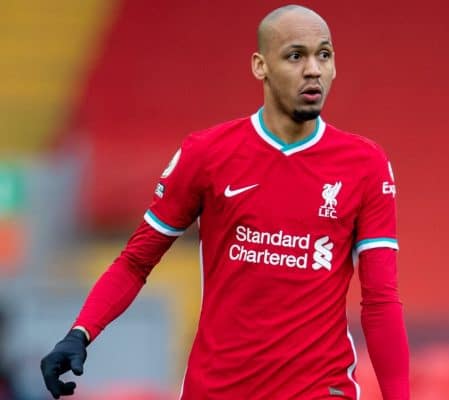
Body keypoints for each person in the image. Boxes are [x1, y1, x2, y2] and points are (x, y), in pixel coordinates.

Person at [40, 5, 409, 399]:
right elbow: (136, 261)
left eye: (324, 54)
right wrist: (81, 332)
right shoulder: (207, 154)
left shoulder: (365, 164)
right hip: (219, 390)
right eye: (295, 55)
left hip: (318, 390)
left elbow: (380, 300)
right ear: (260, 66)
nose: (314, 69)